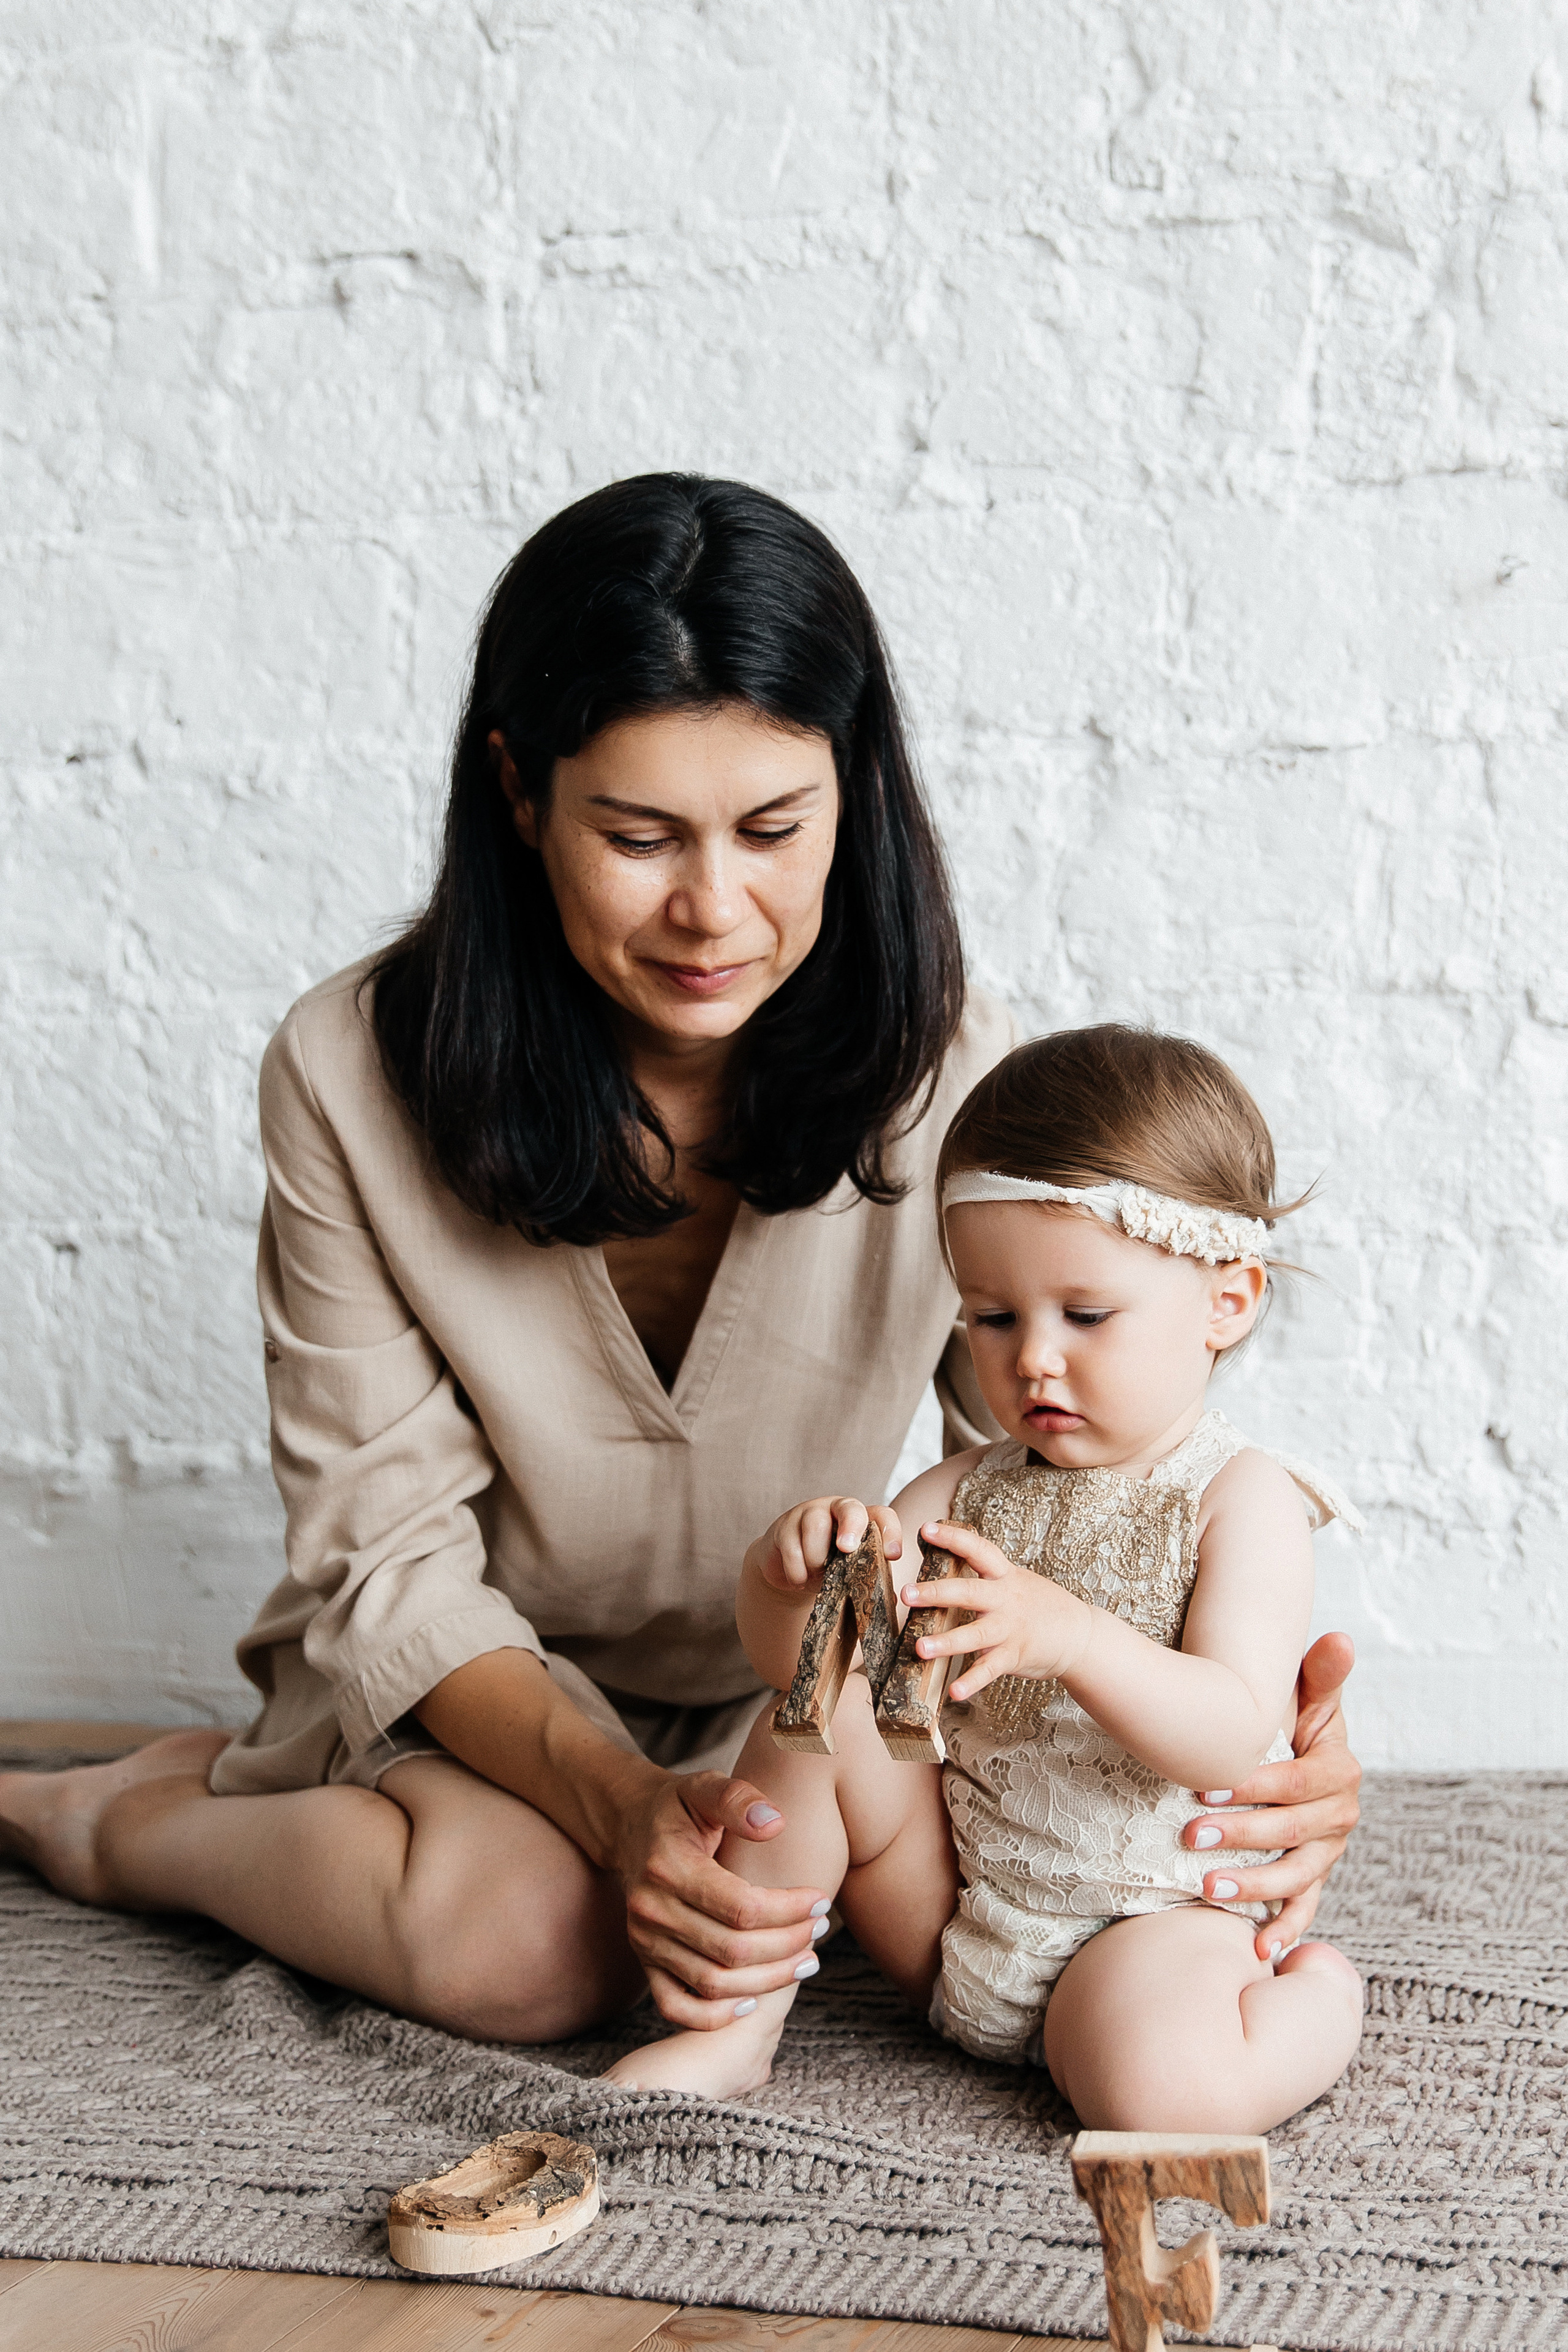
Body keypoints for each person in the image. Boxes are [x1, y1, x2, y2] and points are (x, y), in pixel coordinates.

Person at [0, 478, 1363, 2048]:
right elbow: (388, 1570)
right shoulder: (346, 1069)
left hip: (785, 1693)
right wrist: (621, 1800)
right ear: (519, 793)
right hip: (470, 1695)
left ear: (849, 794)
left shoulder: (955, 1082)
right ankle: (133, 1826)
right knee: (526, 1954)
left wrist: (1263, 1758)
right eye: (638, 836)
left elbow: (1062, 1488)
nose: (714, 909)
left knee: (732, 1932)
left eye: (774, 830)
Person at [607, 1026, 1366, 2133]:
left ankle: (1317, 2000)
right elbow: (812, 1677)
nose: (1033, 1358)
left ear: (1228, 1302)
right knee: (816, 1716)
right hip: (953, 1906)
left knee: (1162, 2089)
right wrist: (793, 1584)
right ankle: (734, 2029)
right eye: (994, 1317)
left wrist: (1070, 1637)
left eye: (1086, 1316)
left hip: (1141, 1922)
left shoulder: (1238, 1497)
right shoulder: (961, 1490)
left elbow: (1228, 1729)